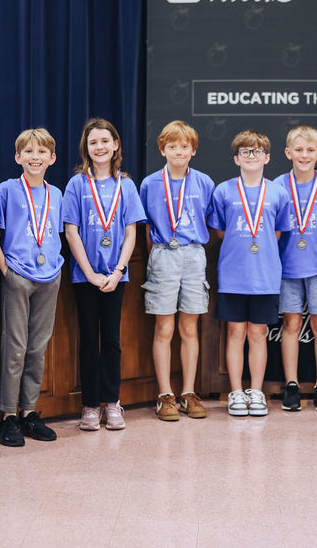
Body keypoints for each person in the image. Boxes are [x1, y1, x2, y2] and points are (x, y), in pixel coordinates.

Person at [64, 118, 146, 431]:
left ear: (115, 146)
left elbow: (130, 232)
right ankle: (89, 405)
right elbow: (71, 232)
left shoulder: (126, 185)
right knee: (88, 339)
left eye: (104, 141)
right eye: (93, 142)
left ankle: (112, 402)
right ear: (86, 148)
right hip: (85, 277)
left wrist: (118, 270)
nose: (99, 147)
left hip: (116, 276)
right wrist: (90, 273)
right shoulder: (76, 185)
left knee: (111, 339)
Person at [208, 130, 291, 417]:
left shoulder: (278, 192)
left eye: (257, 151)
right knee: (235, 332)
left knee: (258, 333)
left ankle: (256, 391)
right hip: (233, 273)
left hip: (265, 275)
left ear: (268, 157)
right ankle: (235, 392)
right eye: (245, 151)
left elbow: (279, 231)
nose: (251, 156)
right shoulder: (223, 191)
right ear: (236, 158)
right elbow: (219, 230)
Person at [0, 128, 64, 447]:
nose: (35, 157)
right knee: (15, 347)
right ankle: (8, 415)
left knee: (38, 348)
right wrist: (5, 269)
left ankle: (29, 412)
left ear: (52, 158)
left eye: (41, 152)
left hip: (49, 276)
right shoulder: (8, 189)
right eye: (28, 152)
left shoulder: (56, 194)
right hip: (17, 274)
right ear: (17, 157)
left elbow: (55, 232)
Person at [139, 121, 214, 421]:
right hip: (163, 254)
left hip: (194, 255)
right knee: (164, 328)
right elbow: (146, 227)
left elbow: (207, 219)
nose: (178, 151)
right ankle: (165, 394)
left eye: (184, 146)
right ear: (162, 150)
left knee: (189, 328)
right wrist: (155, 257)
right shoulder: (150, 183)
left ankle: (188, 392)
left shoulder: (204, 183)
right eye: (172, 146)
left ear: (193, 150)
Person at [276, 126, 317, 413]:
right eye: (299, 150)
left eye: (310, 150)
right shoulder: (277, 186)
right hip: (287, 267)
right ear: (288, 153)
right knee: (290, 325)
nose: (305, 155)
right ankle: (291, 384)